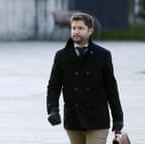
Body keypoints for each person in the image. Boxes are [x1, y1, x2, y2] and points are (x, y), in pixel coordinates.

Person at [46, 12, 124, 144]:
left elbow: (111, 88)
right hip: (73, 118)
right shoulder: (61, 56)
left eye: (80, 28)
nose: (76, 31)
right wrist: (53, 110)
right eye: (73, 28)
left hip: (97, 119)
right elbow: (54, 86)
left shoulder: (103, 55)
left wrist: (118, 118)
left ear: (90, 30)